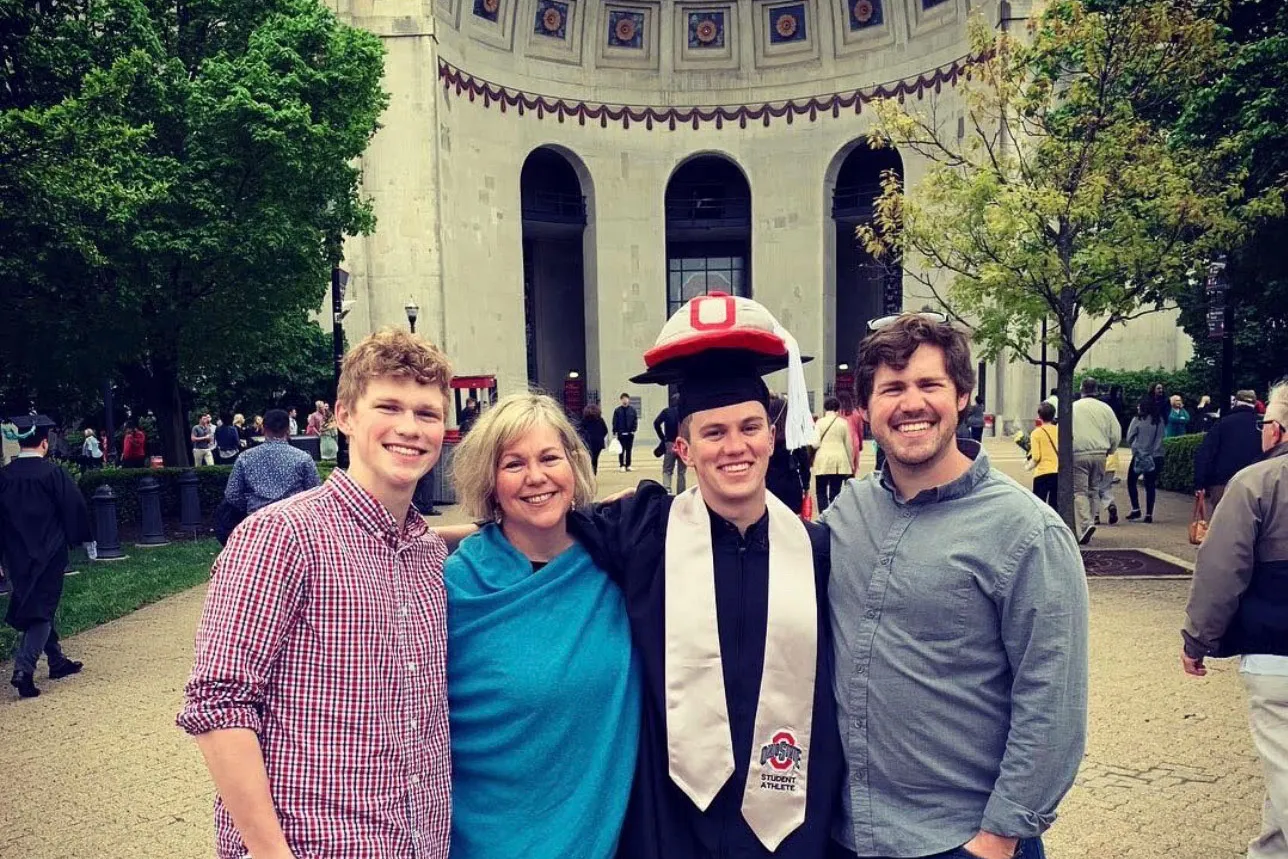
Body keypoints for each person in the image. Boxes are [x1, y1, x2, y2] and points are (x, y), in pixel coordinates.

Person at [566, 294, 842, 859]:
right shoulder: (643, 534)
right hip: (673, 821)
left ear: (772, 435)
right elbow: (535, 524)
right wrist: (434, 540)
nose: (735, 447)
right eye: (713, 433)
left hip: (792, 818)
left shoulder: (820, 551)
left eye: (749, 427)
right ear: (683, 449)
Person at [177, 329, 455, 859]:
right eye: (389, 406)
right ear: (345, 416)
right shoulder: (281, 535)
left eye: (427, 413)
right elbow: (219, 705)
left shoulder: (426, 554)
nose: (409, 428)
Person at [822, 314, 1088, 859]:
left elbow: (1052, 700)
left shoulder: (1028, 532)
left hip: (961, 840)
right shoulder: (847, 513)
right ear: (867, 407)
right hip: (846, 834)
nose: (910, 403)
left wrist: (998, 838)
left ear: (963, 395)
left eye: (929, 385)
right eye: (891, 388)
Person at [444, 393, 640, 859]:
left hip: (601, 836)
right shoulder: (456, 585)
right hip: (484, 836)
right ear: (490, 482)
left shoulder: (618, 559)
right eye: (513, 464)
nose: (536, 477)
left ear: (574, 465)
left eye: (550, 457)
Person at [1182, 380, 1288, 859]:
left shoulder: (1259, 482)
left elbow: (1222, 568)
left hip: (1276, 653)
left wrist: (1198, 638)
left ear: (1278, 428)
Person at [0, 415, 90, 698]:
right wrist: (81, 540)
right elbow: (73, 508)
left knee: (37, 603)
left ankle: (57, 661)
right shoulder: (52, 473)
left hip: (14, 555)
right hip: (48, 553)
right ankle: (23, 670)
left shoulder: (4, 476)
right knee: (42, 609)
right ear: (43, 442)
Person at [222, 409, 321, 516]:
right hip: (293, 521)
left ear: (263, 429)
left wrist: (250, 507)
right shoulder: (304, 458)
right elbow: (315, 494)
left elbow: (232, 494)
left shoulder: (245, 458)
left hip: (257, 521)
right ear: (288, 430)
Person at [1195, 389, 1263, 520]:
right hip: (1254, 485)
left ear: (1236, 402)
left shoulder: (1223, 423)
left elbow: (1205, 453)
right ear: (1254, 404)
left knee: (1222, 525)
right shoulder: (1261, 425)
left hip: (1222, 483)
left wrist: (1200, 483)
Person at [1071, 377, 1121, 544]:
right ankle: (1091, 521)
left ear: (1081, 389)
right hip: (1100, 453)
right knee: (1094, 490)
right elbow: (1115, 432)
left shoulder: (1073, 407)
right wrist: (1111, 450)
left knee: (1079, 491)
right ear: (1097, 390)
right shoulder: (1105, 409)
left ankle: (1085, 524)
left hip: (1078, 453)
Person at [765, 394, 812, 514]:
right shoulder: (794, 438)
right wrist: (806, 487)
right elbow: (804, 464)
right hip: (791, 485)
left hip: (769, 485)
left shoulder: (766, 438)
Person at [812, 396, 855, 514]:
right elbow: (848, 445)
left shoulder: (819, 422)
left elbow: (815, 444)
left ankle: (823, 515)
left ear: (825, 408)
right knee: (835, 492)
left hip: (822, 461)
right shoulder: (843, 423)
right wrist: (851, 464)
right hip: (840, 461)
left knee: (820, 491)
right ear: (838, 408)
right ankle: (834, 515)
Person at [1125, 396, 1165, 523]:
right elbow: (1160, 438)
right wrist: (1153, 452)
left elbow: (1130, 437)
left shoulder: (1137, 419)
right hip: (1154, 456)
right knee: (1150, 485)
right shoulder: (1158, 420)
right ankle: (1149, 514)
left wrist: (1136, 449)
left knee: (1131, 481)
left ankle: (1136, 508)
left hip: (1139, 455)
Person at [1029, 402, 1059, 509]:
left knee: (1039, 504)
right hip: (1057, 471)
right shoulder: (1059, 431)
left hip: (1042, 472)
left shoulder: (1036, 433)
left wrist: (1028, 466)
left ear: (1039, 416)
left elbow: (1036, 457)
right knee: (1054, 503)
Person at [837, 391, 865, 474]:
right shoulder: (856, 414)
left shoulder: (837, 414)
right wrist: (860, 445)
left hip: (840, 442)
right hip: (853, 442)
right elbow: (860, 431)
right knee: (851, 471)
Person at [579, 402, 609, 474]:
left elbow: (580, 431)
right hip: (598, 443)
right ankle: (594, 472)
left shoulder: (584, 420)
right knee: (595, 459)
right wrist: (600, 437)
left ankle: (589, 473)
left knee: (589, 458)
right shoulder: (600, 420)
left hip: (587, 443)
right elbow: (605, 430)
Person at [612, 392, 639, 472]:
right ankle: (621, 465)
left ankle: (628, 465)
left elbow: (635, 420)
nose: (625, 400)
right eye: (623, 399)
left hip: (630, 433)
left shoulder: (632, 410)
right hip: (621, 433)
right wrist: (615, 431)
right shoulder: (617, 410)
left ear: (628, 400)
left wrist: (634, 430)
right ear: (621, 400)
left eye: (626, 399)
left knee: (629, 450)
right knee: (621, 450)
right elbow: (615, 421)